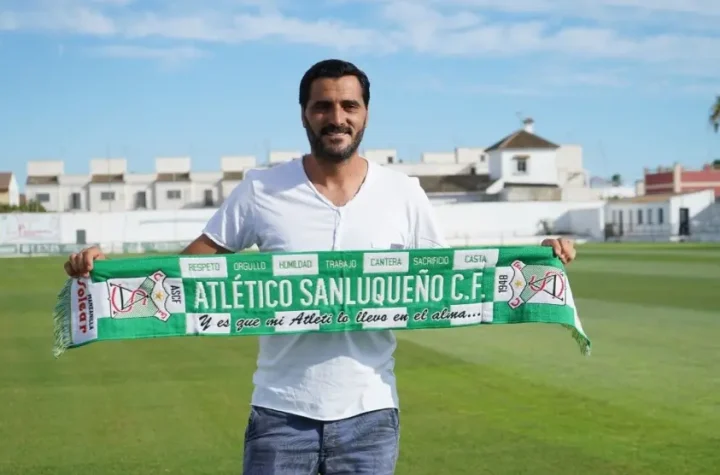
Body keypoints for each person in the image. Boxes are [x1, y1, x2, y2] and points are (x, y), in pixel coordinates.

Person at [64, 59, 577, 474]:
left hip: (371, 416)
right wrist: (112, 272)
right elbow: (187, 271)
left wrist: (540, 256)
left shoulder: (403, 192)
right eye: (323, 106)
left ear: (367, 114)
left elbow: (451, 277)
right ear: (305, 115)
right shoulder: (262, 188)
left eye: (349, 105)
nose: (337, 117)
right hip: (280, 413)